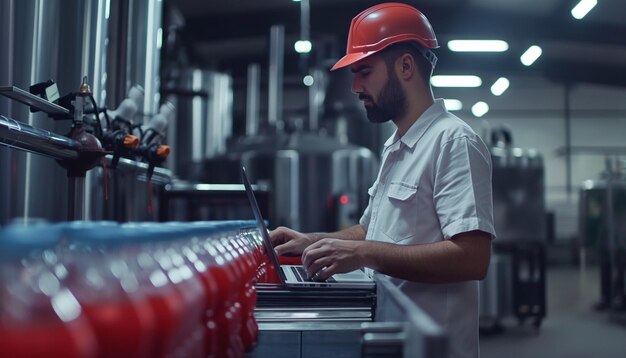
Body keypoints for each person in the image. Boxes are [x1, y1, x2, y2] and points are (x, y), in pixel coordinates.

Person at [270, 3, 495, 358]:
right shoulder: (396, 144)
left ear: (406, 66)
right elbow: (369, 231)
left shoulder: (452, 141)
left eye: (365, 71)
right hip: (394, 337)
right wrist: (312, 241)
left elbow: (472, 258)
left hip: (434, 348)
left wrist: (361, 254)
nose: (355, 86)